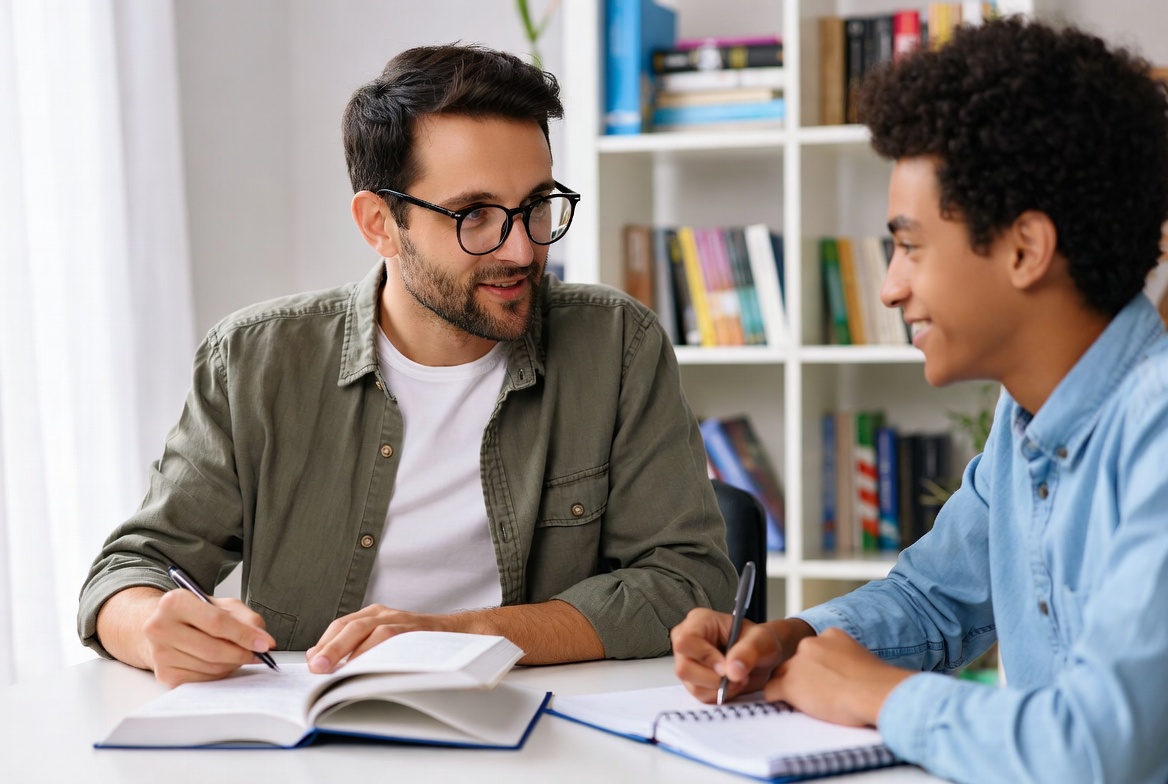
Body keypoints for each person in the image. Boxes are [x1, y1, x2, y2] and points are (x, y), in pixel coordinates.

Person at [79, 43, 736, 687]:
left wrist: (459, 636)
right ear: (379, 224)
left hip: (540, 732)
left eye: (537, 205)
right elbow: (132, 569)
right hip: (312, 737)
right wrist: (149, 627)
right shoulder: (255, 360)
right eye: (474, 215)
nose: (519, 247)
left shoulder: (617, 344)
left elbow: (687, 582)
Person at [671, 17, 1168, 784]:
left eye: (909, 246)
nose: (889, 286)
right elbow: (937, 600)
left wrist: (884, 695)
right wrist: (791, 638)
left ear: (1024, 249)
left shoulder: (1158, 433)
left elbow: (1100, 749)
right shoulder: (1025, 418)